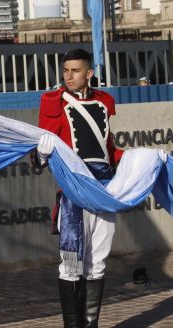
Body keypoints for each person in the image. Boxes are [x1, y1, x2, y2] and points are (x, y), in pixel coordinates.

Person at [33, 48, 124, 328]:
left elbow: (108, 150)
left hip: (102, 190)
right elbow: (38, 157)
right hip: (73, 193)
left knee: (97, 264)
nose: (68, 76)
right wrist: (41, 154)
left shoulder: (104, 101)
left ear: (89, 73)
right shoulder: (53, 102)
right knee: (71, 264)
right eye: (65, 70)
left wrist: (137, 161)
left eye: (75, 70)